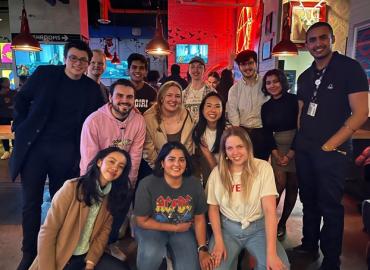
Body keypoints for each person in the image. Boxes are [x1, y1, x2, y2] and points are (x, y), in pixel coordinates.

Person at [11, 40, 104, 270]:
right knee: (30, 204)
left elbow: (98, 121)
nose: (78, 63)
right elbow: (21, 99)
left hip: (67, 153)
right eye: (74, 58)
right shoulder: (45, 74)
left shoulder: (91, 89)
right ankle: (29, 253)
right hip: (35, 148)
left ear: (88, 63)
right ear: (65, 58)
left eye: (83, 60)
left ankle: (56, 250)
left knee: (59, 204)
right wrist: (22, 125)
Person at [292, 22, 369, 270]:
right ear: (307, 45)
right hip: (305, 149)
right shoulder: (305, 76)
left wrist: (330, 144)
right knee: (309, 200)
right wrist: (299, 142)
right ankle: (308, 245)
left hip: (332, 152)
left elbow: (361, 112)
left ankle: (332, 259)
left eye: (322, 38)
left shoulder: (350, 68)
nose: (317, 44)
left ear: (332, 38)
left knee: (331, 207)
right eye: (312, 40)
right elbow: (301, 112)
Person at [29, 147, 132, 270]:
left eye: (121, 166)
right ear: (99, 162)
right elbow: (48, 232)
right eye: (111, 161)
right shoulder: (72, 188)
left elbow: (103, 234)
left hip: (86, 255)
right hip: (62, 255)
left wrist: (90, 263)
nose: (115, 167)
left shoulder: (112, 196)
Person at [207, 127, 289, 270]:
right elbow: (213, 208)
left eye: (240, 146)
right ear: (224, 152)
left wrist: (271, 254)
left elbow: (270, 211)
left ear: (248, 147)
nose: (235, 153)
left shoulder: (263, 168)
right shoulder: (217, 173)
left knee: (279, 267)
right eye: (229, 148)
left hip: (258, 228)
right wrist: (219, 241)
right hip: (228, 229)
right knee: (216, 267)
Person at [80, 78, 146, 254]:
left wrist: (128, 183)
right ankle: (89, 249)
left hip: (122, 176)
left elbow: (135, 154)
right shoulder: (94, 121)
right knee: (94, 214)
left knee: (118, 211)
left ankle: (109, 244)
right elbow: (89, 159)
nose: (125, 100)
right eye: (120, 96)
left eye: (129, 97)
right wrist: (96, 185)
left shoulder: (138, 121)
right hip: (96, 176)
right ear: (110, 97)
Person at [134, 142, 213, 270]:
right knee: (151, 253)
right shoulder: (147, 184)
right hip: (152, 228)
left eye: (182, 160)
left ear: (186, 164)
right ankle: (163, 258)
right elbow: (141, 221)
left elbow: (199, 218)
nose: (177, 164)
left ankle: (170, 258)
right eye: (171, 159)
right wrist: (174, 227)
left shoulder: (194, 184)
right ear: (162, 163)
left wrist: (202, 248)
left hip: (182, 231)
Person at [261, 69, 298, 239]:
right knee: (278, 186)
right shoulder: (266, 107)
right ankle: (268, 222)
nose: (272, 85)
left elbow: (301, 128)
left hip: (297, 147)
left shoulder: (294, 101)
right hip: (277, 149)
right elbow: (267, 133)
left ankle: (282, 223)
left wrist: (291, 153)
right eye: (268, 83)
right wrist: (276, 155)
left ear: (282, 82)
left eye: (275, 81)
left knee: (292, 187)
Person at [226, 50, 270, 160]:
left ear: (256, 63)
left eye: (250, 63)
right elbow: (233, 113)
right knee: (243, 165)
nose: (247, 67)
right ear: (239, 67)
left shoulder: (266, 84)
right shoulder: (234, 89)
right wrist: (238, 136)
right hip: (243, 132)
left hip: (263, 133)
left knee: (261, 166)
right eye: (243, 64)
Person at [143, 81, 195, 169]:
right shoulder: (149, 118)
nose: (174, 99)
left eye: (177, 96)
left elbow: (188, 149)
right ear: (162, 98)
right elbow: (149, 152)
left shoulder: (188, 115)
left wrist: (180, 168)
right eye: (169, 95)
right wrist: (163, 169)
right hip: (157, 169)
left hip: (182, 169)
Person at [192, 92, 226, 185]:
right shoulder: (196, 133)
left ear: (223, 110)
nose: (213, 110)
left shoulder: (228, 132)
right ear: (202, 110)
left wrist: (207, 152)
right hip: (205, 182)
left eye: (217, 106)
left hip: (224, 180)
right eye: (209, 106)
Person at [183, 57, 215, 122]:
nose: (196, 70)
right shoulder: (183, 94)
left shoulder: (212, 93)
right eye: (192, 67)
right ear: (189, 71)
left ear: (204, 70)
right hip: (187, 131)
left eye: (199, 67)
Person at [0, 77, 16, 160]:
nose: (9, 82)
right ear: (2, 84)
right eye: (7, 81)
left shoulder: (13, 92)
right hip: (3, 117)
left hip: (14, 117)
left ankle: (14, 149)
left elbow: (18, 102)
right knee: (4, 135)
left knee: (14, 133)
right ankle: (6, 151)